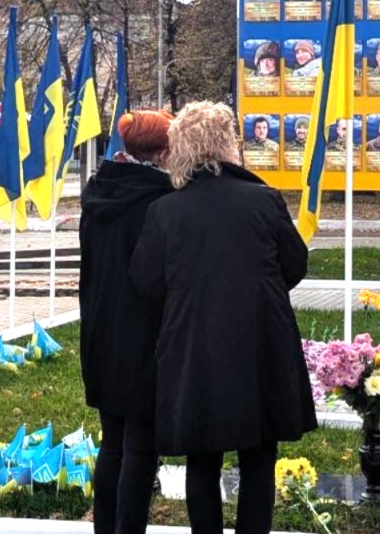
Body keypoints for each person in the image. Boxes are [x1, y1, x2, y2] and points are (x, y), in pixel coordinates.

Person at [129, 102, 316, 534]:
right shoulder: (263, 199)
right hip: (260, 341)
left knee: (202, 456)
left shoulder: (166, 210)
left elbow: (145, 279)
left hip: (195, 345)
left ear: (181, 148)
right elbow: (295, 264)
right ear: (228, 144)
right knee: (258, 457)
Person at [80, 110, 175, 534]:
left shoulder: (98, 189)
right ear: (163, 150)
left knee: (112, 442)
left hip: (101, 329)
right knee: (140, 445)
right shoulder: (159, 200)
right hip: (144, 332)